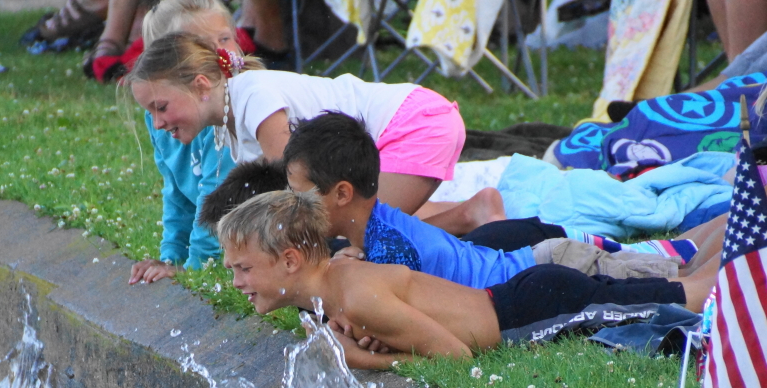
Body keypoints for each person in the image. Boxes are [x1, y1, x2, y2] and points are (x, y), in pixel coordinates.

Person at [217, 190, 718, 369]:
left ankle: (749, 255)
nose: (236, 281)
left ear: (289, 262)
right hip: (525, 292)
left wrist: (364, 358)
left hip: (534, 308)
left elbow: (455, 356)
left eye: (243, 268)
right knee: (690, 284)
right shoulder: (340, 280)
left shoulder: (356, 295)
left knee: (693, 296)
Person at [276, 112, 721, 286]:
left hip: (553, 266)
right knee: (674, 254)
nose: (294, 207)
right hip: (544, 258)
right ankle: (737, 230)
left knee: (687, 272)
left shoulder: (389, 248)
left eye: (300, 195)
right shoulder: (378, 229)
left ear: (341, 194)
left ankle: (746, 244)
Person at [127, 32, 504, 235]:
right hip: (417, 119)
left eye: (161, 107)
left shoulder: (253, 97)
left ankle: (473, 216)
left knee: (363, 237)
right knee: (358, 232)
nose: (158, 123)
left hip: (415, 123)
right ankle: (469, 213)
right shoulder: (231, 121)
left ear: (200, 85)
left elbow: (292, 191)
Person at [128, 0, 257, 285]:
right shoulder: (162, 116)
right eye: (200, 45)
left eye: (224, 39)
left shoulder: (230, 109)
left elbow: (218, 194)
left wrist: (197, 266)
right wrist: (171, 258)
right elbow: (175, 189)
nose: (218, 53)